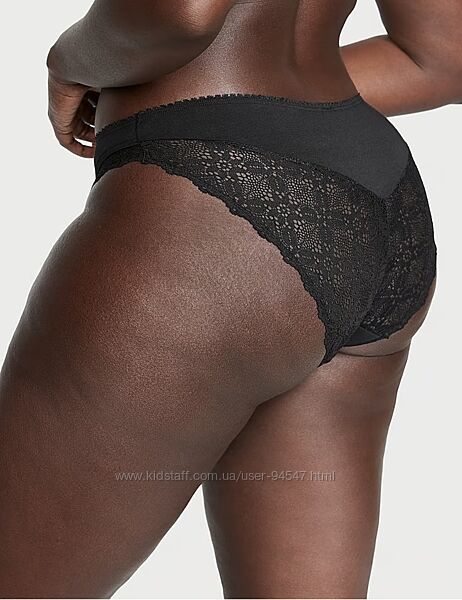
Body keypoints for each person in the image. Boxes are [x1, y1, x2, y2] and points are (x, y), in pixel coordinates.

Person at [0, 0, 460, 597]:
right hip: (377, 197)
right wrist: (276, 99)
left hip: (209, 210)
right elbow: (439, 58)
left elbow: (183, 15)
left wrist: (68, 63)